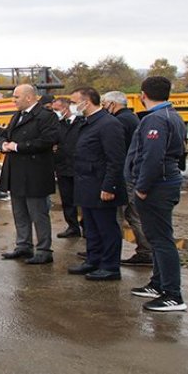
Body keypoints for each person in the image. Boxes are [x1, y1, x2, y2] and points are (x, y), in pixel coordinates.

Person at [126, 76, 188, 312]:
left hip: (157, 187)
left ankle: (173, 294)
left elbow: (152, 157)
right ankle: (159, 284)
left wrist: (141, 187)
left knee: (161, 240)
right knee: (156, 237)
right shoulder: (172, 115)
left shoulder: (156, 119)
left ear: (143, 95)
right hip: (162, 184)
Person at [66, 88, 127, 281]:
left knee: (107, 228)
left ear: (87, 101)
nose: (72, 106)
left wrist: (109, 187)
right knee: (91, 227)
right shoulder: (88, 122)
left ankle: (110, 266)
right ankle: (94, 260)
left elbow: (115, 160)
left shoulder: (108, 124)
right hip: (86, 184)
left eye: (75, 102)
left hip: (101, 185)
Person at [0, 84, 59, 265]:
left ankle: (44, 249)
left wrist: (18, 147)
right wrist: (3, 144)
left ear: (29, 97)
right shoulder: (17, 116)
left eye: (16, 97)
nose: (13, 100)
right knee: (19, 211)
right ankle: (23, 245)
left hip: (35, 172)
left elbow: (48, 140)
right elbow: (5, 134)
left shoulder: (46, 116)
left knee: (38, 212)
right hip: (16, 171)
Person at [103, 90, 152, 266]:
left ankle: (142, 252)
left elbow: (116, 151)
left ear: (112, 104)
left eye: (104, 104)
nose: (103, 107)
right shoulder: (131, 118)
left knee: (124, 214)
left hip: (124, 175)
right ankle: (146, 250)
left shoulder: (119, 121)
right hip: (130, 172)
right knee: (133, 213)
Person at [52, 98, 84, 238]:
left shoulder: (81, 123)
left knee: (83, 199)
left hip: (79, 167)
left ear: (66, 108)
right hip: (63, 167)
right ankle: (72, 226)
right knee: (67, 199)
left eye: (57, 109)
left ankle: (87, 226)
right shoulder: (58, 125)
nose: (56, 112)